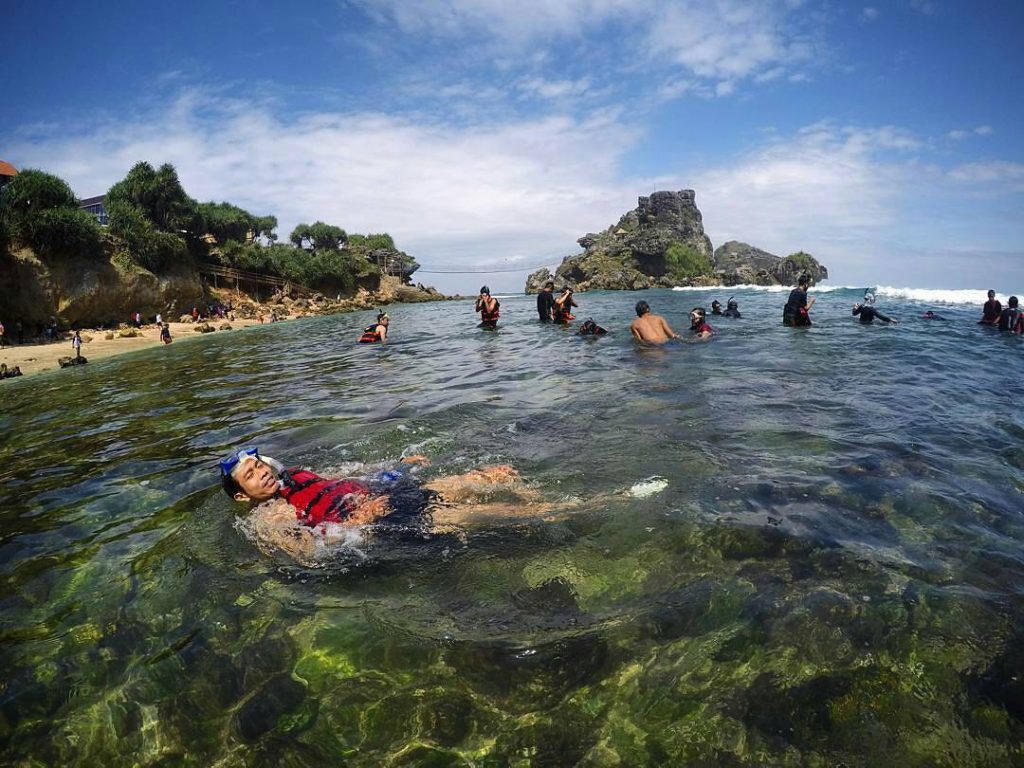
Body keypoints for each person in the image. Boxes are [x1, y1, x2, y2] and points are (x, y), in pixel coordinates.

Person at [219, 448, 590, 565]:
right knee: (485, 514)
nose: (262, 475)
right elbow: (311, 556)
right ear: (242, 495)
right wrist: (357, 524)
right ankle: (578, 510)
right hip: (385, 518)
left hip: (382, 492)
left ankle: (543, 501)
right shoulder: (270, 518)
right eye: (250, 476)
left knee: (489, 476)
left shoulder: (296, 477)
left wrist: (395, 468)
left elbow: (340, 478)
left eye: (259, 466)